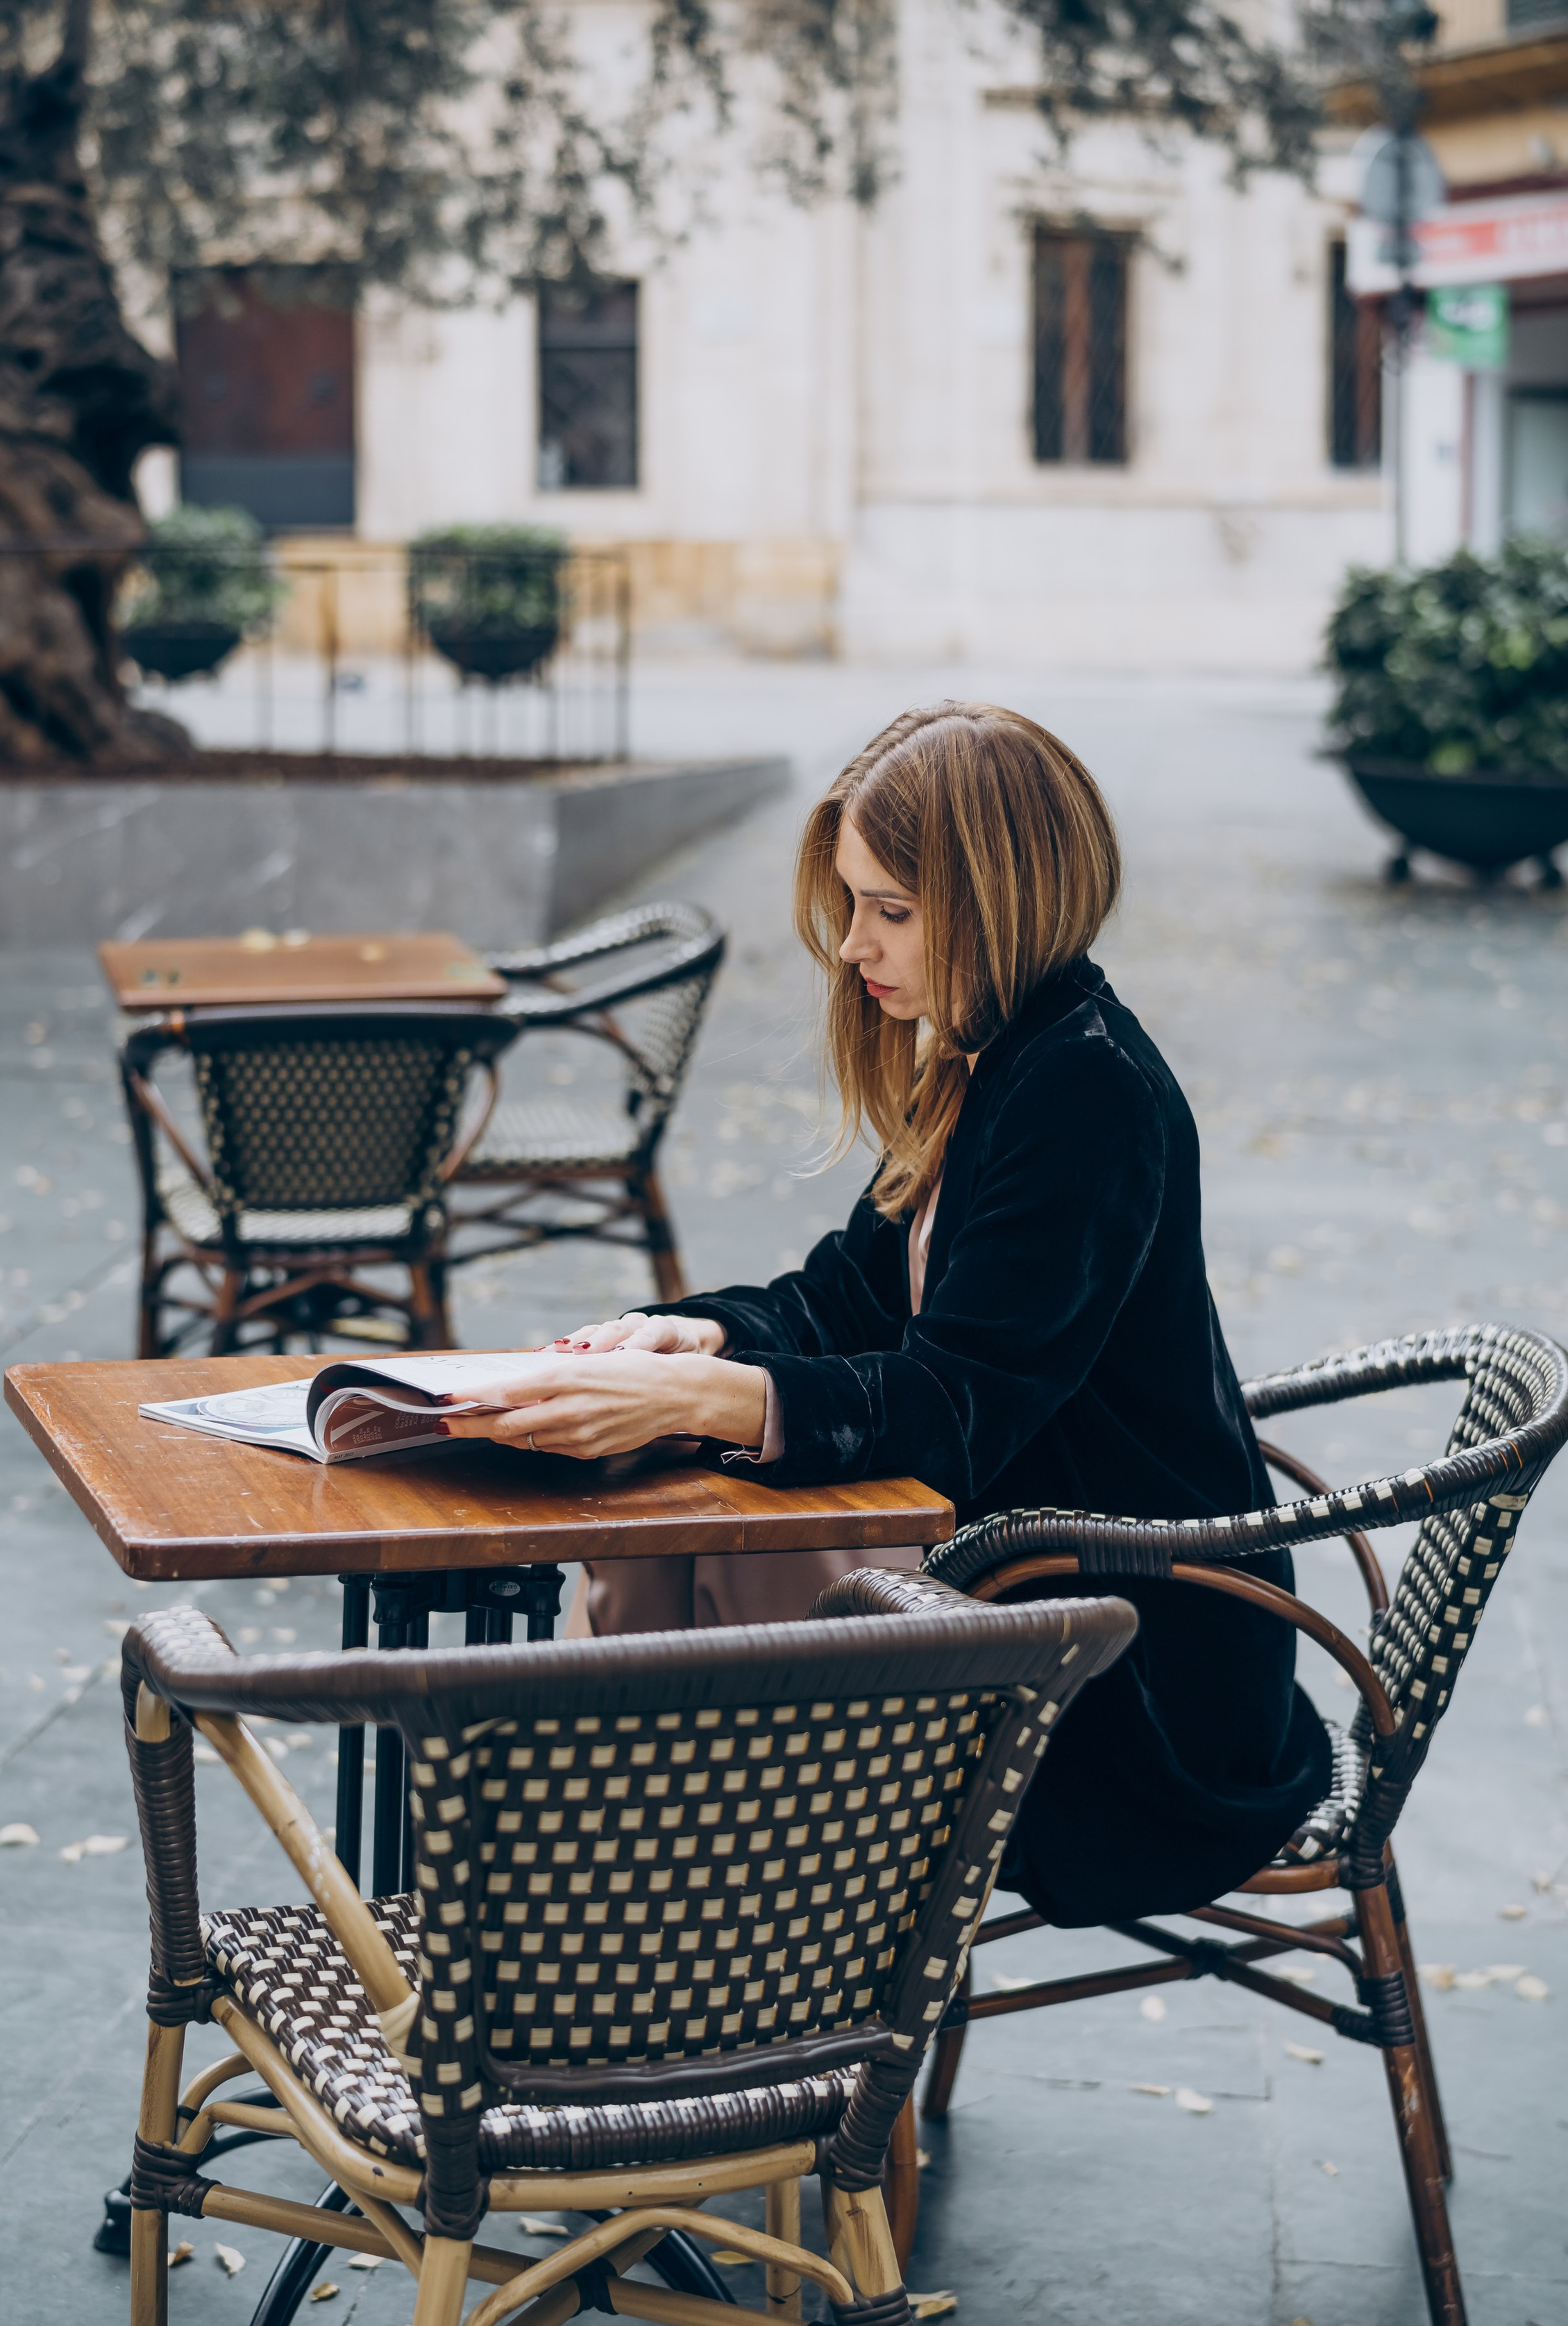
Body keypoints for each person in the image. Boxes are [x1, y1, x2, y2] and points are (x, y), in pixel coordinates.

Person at [441, 701, 1332, 1925]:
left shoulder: (1087, 1092)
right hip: (1020, 1575)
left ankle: (662, 1929)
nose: (854, 946)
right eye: (855, 905)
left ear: (1003, 900)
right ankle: (653, 1923)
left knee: (696, 1511)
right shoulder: (986, 1055)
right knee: (671, 1499)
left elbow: (956, 1408)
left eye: (892, 911)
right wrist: (693, 1337)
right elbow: (846, 1296)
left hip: (1138, 1679)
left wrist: (694, 1398)